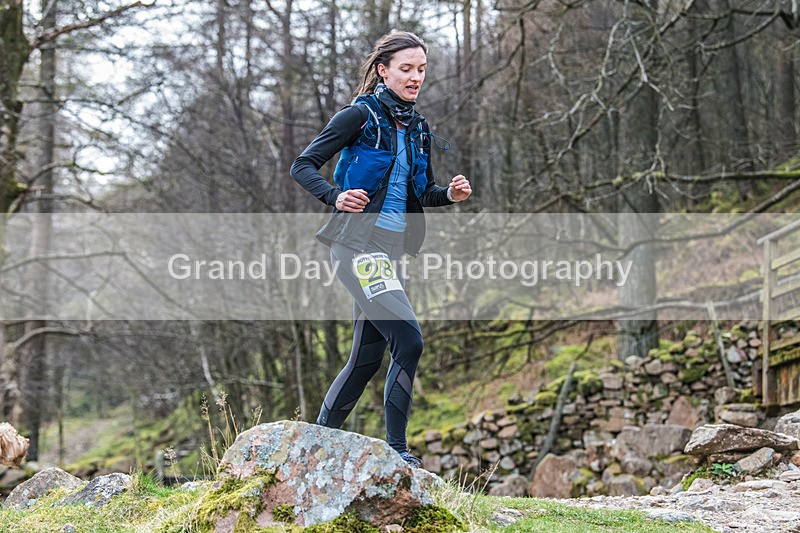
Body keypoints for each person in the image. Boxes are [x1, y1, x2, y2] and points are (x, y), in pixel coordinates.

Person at [290, 31, 472, 468]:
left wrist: (449, 194)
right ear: (383, 70)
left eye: (421, 70)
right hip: (358, 244)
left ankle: (312, 450)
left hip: (389, 252)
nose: (415, 78)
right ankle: (397, 452)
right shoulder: (358, 115)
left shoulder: (419, 128)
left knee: (366, 358)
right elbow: (302, 165)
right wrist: (334, 196)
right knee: (408, 340)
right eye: (406, 69)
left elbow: (421, 192)